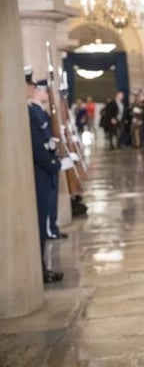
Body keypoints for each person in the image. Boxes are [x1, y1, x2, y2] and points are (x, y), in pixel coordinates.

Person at [25, 67, 63, 283]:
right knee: (40, 221)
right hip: (40, 172)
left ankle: (41, 267)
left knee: (43, 218)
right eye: (29, 85)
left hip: (44, 171)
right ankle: (38, 269)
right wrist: (54, 164)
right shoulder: (30, 111)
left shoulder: (35, 111)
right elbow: (37, 146)